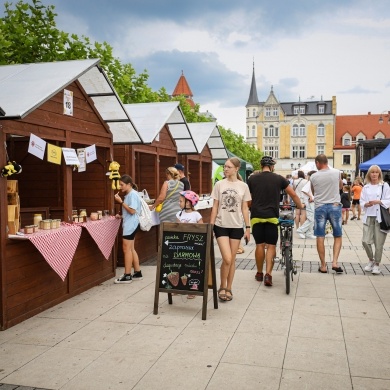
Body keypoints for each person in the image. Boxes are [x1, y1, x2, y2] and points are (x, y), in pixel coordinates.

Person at [248, 156, 303, 287]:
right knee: (271, 246)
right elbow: (293, 194)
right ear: (272, 166)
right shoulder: (279, 178)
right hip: (272, 216)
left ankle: (259, 273)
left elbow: (248, 198)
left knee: (259, 245)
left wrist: (251, 205)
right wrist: (300, 206)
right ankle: (268, 274)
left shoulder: (252, 179)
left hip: (256, 216)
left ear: (261, 166)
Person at [210, 157, 251, 301]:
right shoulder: (219, 184)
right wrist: (211, 225)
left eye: (228, 167)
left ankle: (228, 288)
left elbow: (245, 208)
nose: (225, 169)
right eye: (225, 167)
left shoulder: (243, 186)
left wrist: (247, 227)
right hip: (220, 226)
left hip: (236, 227)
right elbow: (215, 206)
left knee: (232, 260)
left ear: (236, 169)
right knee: (227, 258)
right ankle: (222, 285)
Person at [310, 154, 343, 274]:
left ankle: (323, 265)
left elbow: (313, 192)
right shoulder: (336, 173)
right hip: (334, 206)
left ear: (318, 162)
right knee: (337, 235)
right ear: (327, 162)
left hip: (320, 207)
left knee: (320, 236)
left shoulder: (313, 176)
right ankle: (334, 262)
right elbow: (340, 186)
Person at [360, 165, 390, 275]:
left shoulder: (384, 186)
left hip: (380, 218)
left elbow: (388, 199)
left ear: (379, 174)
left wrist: (378, 201)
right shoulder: (366, 187)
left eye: (376, 172)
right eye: (372, 172)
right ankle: (371, 260)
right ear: (369, 174)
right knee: (365, 241)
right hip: (369, 216)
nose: (374, 174)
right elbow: (362, 201)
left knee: (379, 243)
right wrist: (366, 204)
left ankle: (377, 264)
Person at [113, 175, 143, 283]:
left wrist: (120, 202)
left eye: (122, 185)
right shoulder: (130, 194)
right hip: (131, 224)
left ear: (129, 184)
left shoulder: (132, 195)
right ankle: (137, 272)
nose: (120, 187)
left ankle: (127, 274)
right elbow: (130, 212)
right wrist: (121, 216)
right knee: (131, 249)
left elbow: (132, 211)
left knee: (126, 249)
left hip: (131, 225)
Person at [176, 190, 203, 299]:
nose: (179, 203)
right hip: (181, 246)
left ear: (188, 203)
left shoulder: (196, 214)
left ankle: (193, 287)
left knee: (192, 267)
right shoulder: (179, 214)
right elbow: (176, 228)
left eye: (181, 201)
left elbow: (202, 228)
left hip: (193, 247)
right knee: (180, 266)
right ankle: (178, 287)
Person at [296, 170, 316, 239]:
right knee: (311, 219)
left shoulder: (311, 182)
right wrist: (310, 196)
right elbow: (304, 190)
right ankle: (300, 230)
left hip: (311, 202)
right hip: (309, 202)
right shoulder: (310, 182)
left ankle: (309, 233)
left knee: (312, 218)